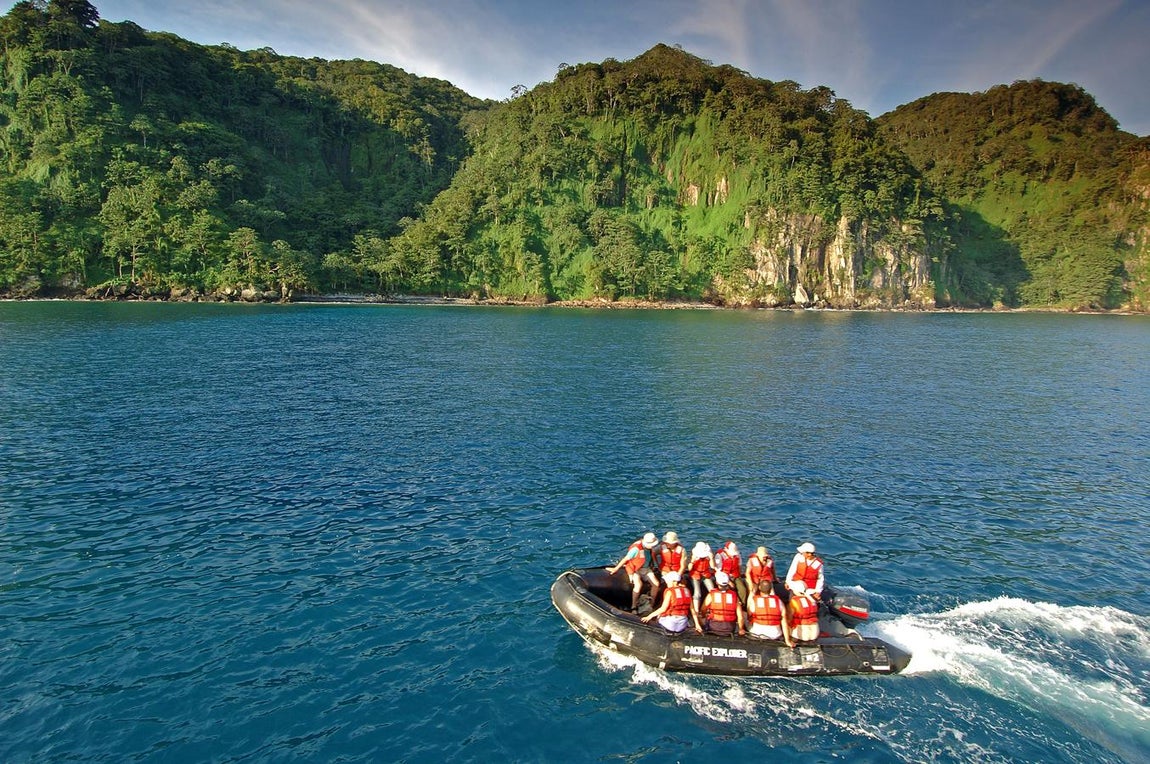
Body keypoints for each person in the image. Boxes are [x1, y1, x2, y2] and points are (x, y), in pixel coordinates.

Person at [607, 532, 660, 612]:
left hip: (646, 569)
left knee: (656, 584)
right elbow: (626, 559)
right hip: (635, 569)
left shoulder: (649, 549)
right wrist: (616, 569)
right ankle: (633, 606)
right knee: (638, 584)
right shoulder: (636, 549)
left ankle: (651, 604)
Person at [746, 579, 793, 646]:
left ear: (759, 588)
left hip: (757, 634)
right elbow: (784, 622)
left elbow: (749, 615)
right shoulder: (779, 602)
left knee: (744, 615)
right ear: (771, 589)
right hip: (775, 635)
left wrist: (752, 593)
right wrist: (787, 640)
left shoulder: (754, 601)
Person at [701, 571, 745, 636]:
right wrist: (741, 628)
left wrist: (704, 615)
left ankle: (704, 633)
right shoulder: (734, 595)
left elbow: (703, 610)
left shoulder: (711, 595)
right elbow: (740, 617)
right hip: (729, 628)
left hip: (714, 627)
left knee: (699, 617)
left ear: (716, 582)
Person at [714, 541, 747, 605]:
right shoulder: (720, 555)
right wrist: (728, 581)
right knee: (729, 589)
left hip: (735, 575)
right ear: (726, 549)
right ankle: (731, 604)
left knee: (743, 590)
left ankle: (742, 605)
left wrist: (738, 577)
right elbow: (718, 571)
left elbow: (739, 566)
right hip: (724, 576)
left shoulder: (737, 555)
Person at [686, 541, 715, 614]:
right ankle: (696, 611)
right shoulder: (693, 556)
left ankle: (711, 608)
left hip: (705, 574)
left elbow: (712, 566)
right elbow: (689, 569)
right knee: (697, 593)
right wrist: (692, 561)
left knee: (712, 590)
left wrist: (711, 559)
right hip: (695, 574)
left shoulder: (708, 556)